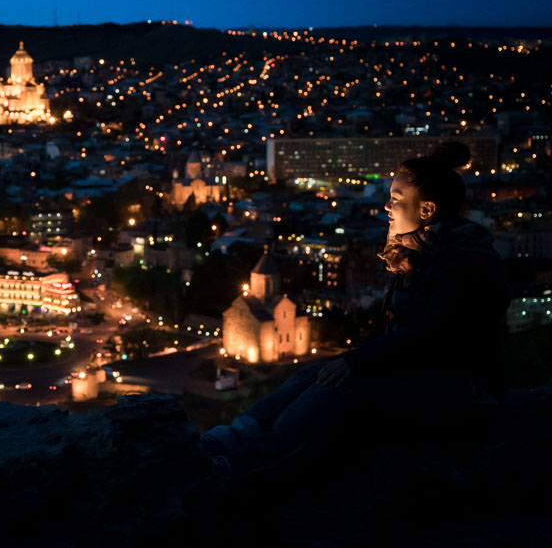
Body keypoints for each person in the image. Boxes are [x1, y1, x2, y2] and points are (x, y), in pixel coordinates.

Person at [199, 140, 510, 479]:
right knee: (313, 373)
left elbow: (432, 331)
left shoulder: (462, 260)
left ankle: (251, 465)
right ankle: (227, 439)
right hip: (419, 373)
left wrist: (357, 361)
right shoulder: (422, 252)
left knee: (340, 389)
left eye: (395, 197)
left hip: (457, 387)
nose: (387, 205)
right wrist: (353, 361)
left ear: (427, 210)